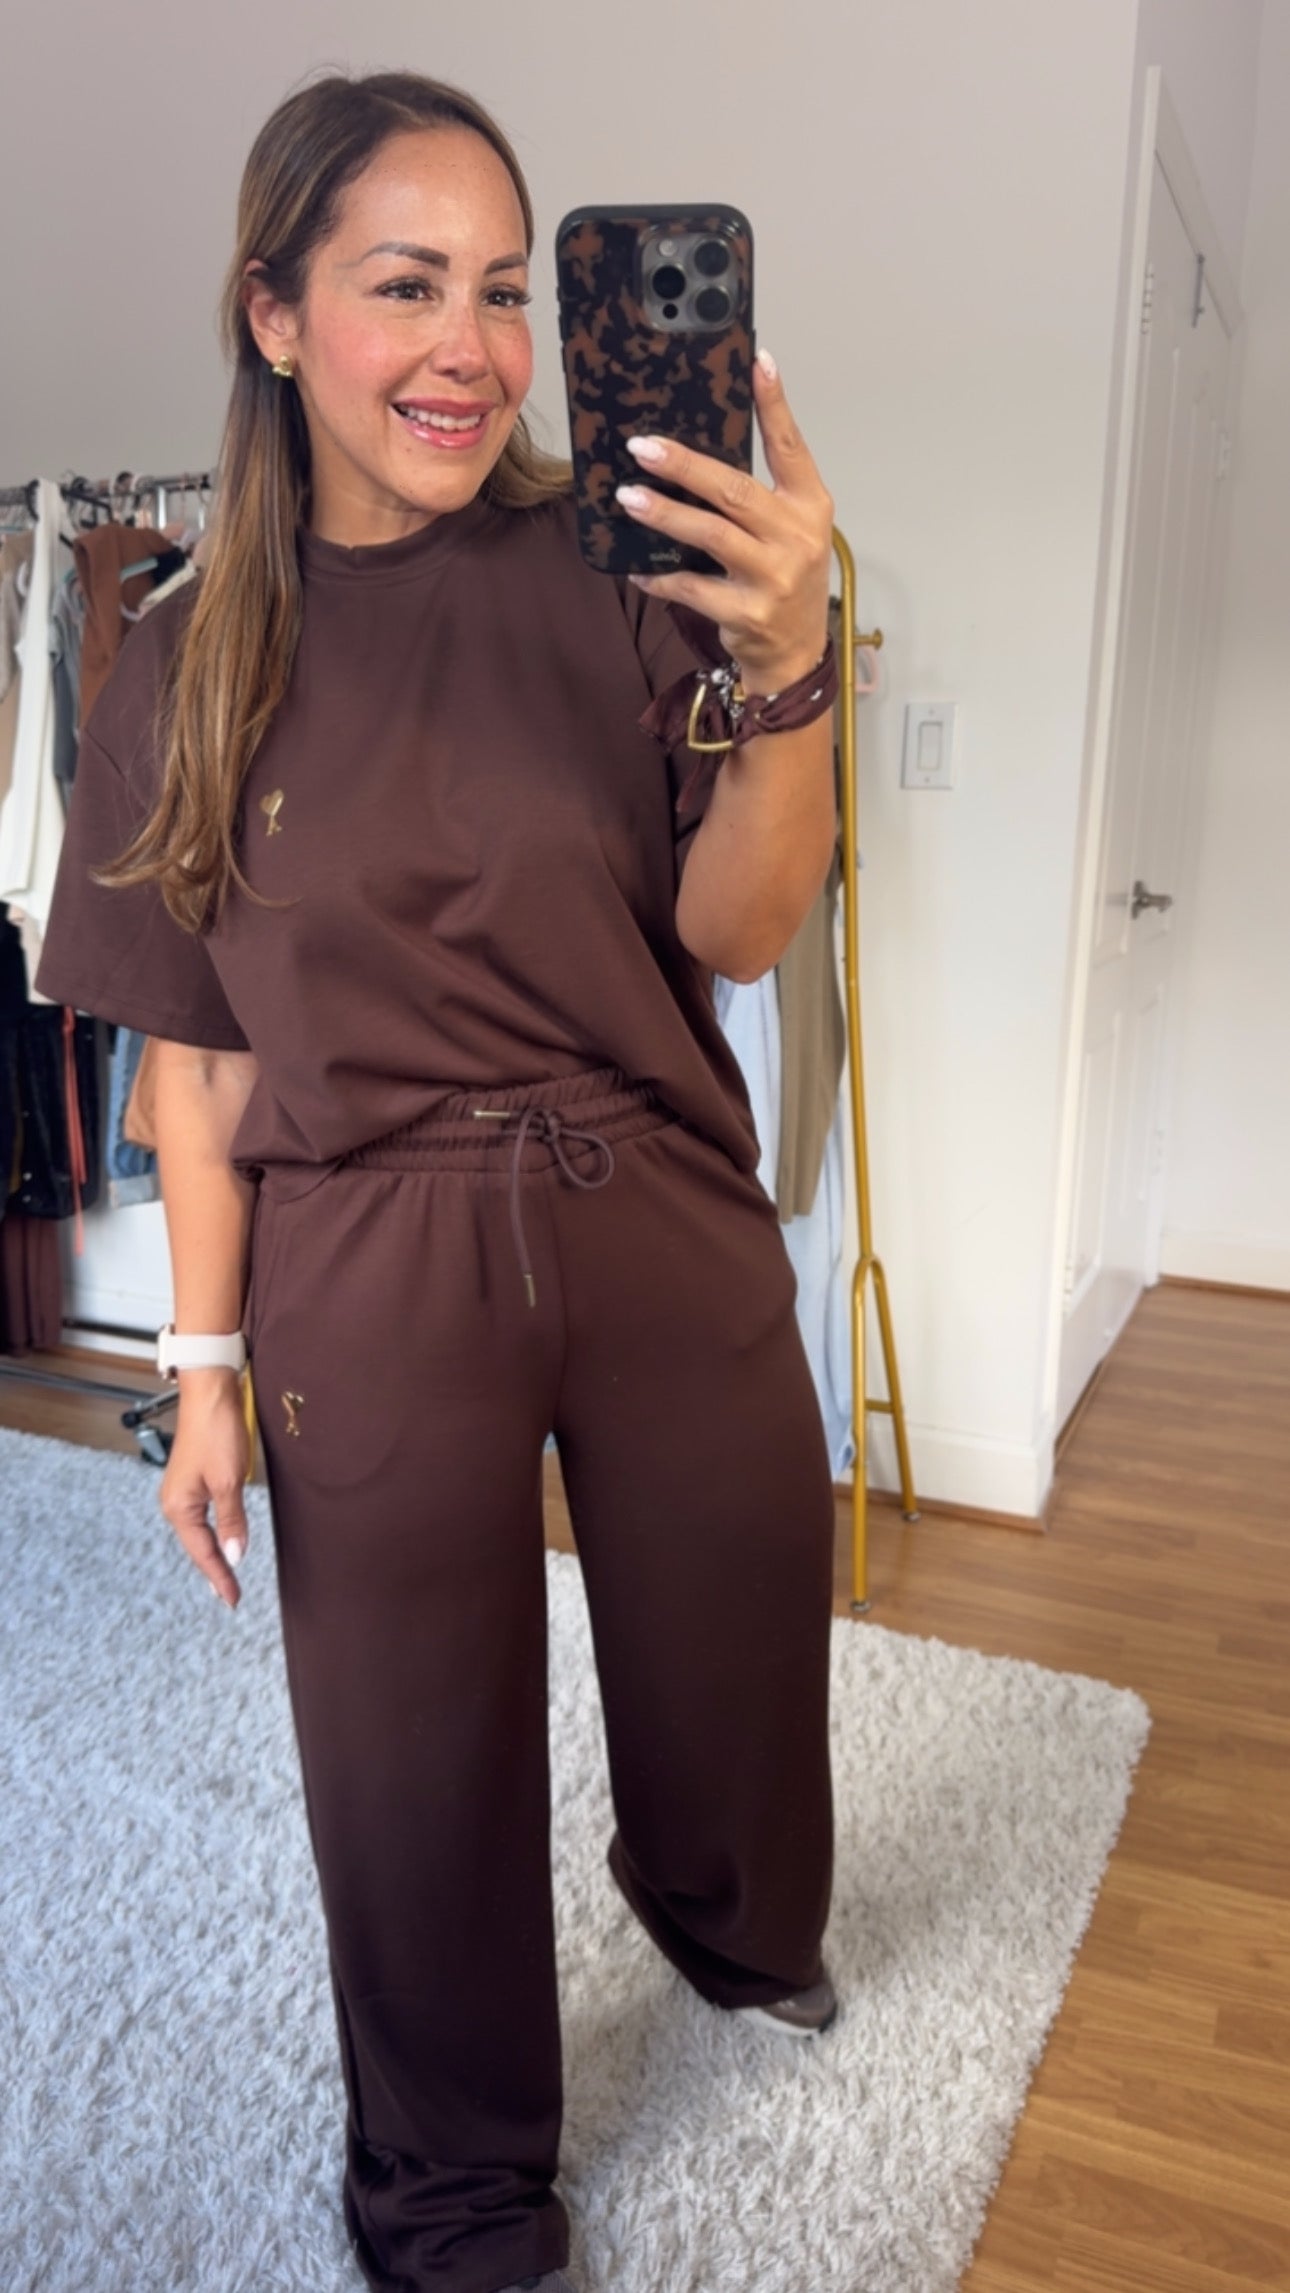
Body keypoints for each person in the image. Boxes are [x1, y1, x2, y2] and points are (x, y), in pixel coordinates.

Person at [35, 69, 842, 2293]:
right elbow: (197, 1063)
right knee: (410, 1756)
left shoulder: (625, 566)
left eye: (503, 290)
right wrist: (202, 1366)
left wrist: (793, 668)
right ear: (275, 314)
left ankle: (726, 1917)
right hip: (369, 1254)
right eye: (406, 287)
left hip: (653, 1192)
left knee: (738, 1630)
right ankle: (455, 2190)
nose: (471, 349)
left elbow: (739, 926)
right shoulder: (181, 653)